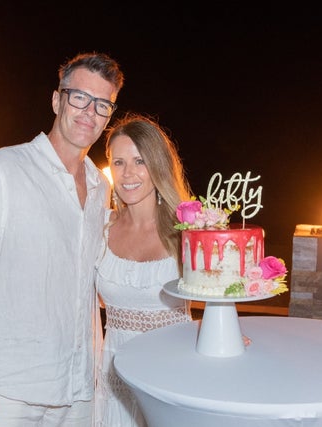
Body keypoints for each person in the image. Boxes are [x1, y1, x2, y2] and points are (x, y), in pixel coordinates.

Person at [0, 52, 124, 427]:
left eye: (102, 104)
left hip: (78, 391)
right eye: (80, 97)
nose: (89, 112)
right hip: (6, 390)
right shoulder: (1, 171)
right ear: (57, 100)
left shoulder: (100, 188)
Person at [94, 113, 194, 427]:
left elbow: (220, 295)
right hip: (115, 381)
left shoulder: (186, 231)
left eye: (139, 161)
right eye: (119, 162)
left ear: (157, 165)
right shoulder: (100, 227)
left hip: (170, 375)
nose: (128, 173)